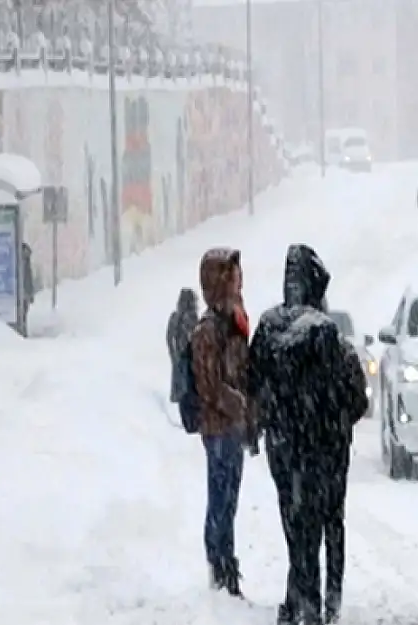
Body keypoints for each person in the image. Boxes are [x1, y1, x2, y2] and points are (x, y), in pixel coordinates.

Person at [248, 244, 368, 625]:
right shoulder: (327, 334)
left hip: (283, 444)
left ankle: (298, 595)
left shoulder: (268, 326)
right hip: (323, 448)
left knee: (295, 521)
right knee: (327, 523)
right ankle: (324, 600)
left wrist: (268, 420)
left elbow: (252, 381)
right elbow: (350, 399)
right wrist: (337, 426)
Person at [190, 247, 257, 597]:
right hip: (218, 428)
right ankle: (220, 566)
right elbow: (210, 386)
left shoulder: (234, 320)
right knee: (220, 498)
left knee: (229, 498)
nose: (238, 280)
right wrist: (240, 404)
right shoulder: (208, 329)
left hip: (233, 427)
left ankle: (226, 563)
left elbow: (243, 370)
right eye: (231, 275)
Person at [166, 288, 199, 403]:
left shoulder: (194, 318)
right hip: (180, 354)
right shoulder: (177, 317)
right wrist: (174, 353)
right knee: (180, 381)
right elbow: (170, 337)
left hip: (190, 356)